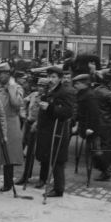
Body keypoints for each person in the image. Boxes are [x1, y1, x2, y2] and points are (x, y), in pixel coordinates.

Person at [33, 65, 75, 197]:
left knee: (57, 160)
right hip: (47, 130)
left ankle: (58, 189)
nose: (50, 79)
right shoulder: (49, 90)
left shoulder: (64, 92)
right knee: (49, 157)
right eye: (48, 76)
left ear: (60, 79)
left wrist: (50, 108)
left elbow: (68, 112)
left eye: (53, 77)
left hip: (58, 130)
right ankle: (52, 184)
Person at [0, 62, 24, 191]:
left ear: (8, 74)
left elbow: (16, 103)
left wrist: (11, 87)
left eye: (1, 74)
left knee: (9, 155)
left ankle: (8, 183)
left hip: (11, 123)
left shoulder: (17, 87)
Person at [72, 74, 110, 181]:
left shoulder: (89, 95)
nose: (75, 85)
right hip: (85, 126)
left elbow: (94, 114)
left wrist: (91, 128)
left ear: (84, 84)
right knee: (92, 151)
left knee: (95, 151)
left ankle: (105, 171)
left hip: (92, 128)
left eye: (77, 83)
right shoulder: (82, 94)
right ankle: (104, 170)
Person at [92, 71, 111, 178]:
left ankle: (101, 167)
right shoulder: (109, 93)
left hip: (97, 122)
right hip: (107, 123)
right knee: (107, 147)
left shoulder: (96, 90)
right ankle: (105, 171)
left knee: (98, 146)